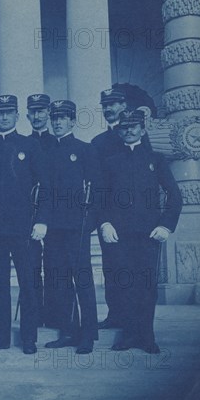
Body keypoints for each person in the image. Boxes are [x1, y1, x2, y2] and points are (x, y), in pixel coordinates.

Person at [100, 109, 182, 354]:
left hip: (148, 235)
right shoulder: (110, 162)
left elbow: (174, 195)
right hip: (120, 236)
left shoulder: (156, 159)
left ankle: (147, 337)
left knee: (147, 287)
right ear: (119, 130)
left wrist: (165, 225)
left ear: (143, 129)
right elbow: (101, 197)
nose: (129, 130)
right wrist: (105, 223)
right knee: (124, 285)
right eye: (124, 126)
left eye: (134, 126)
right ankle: (128, 336)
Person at [0, 95, 49, 355]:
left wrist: (42, 220)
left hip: (25, 229)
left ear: (17, 116)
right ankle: (0, 337)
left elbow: (45, 187)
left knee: (28, 285)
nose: (5, 117)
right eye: (0, 113)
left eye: (9, 112)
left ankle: (29, 338)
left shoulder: (30, 146)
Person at [43, 99, 101, 355]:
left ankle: (88, 334)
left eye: (63, 117)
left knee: (83, 281)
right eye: (54, 117)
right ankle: (68, 331)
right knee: (59, 281)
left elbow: (97, 190)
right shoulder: (45, 151)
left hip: (76, 227)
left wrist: (89, 224)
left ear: (73, 120)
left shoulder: (85, 150)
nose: (57, 122)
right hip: (54, 228)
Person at [91, 88, 129, 330]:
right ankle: (115, 315)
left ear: (123, 105)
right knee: (112, 268)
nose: (109, 109)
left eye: (113, 104)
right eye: (105, 105)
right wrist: (103, 220)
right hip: (109, 217)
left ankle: (136, 319)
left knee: (134, 269)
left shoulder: (135, 135)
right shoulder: (98, 142)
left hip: (135, 217)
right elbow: (97, 185)